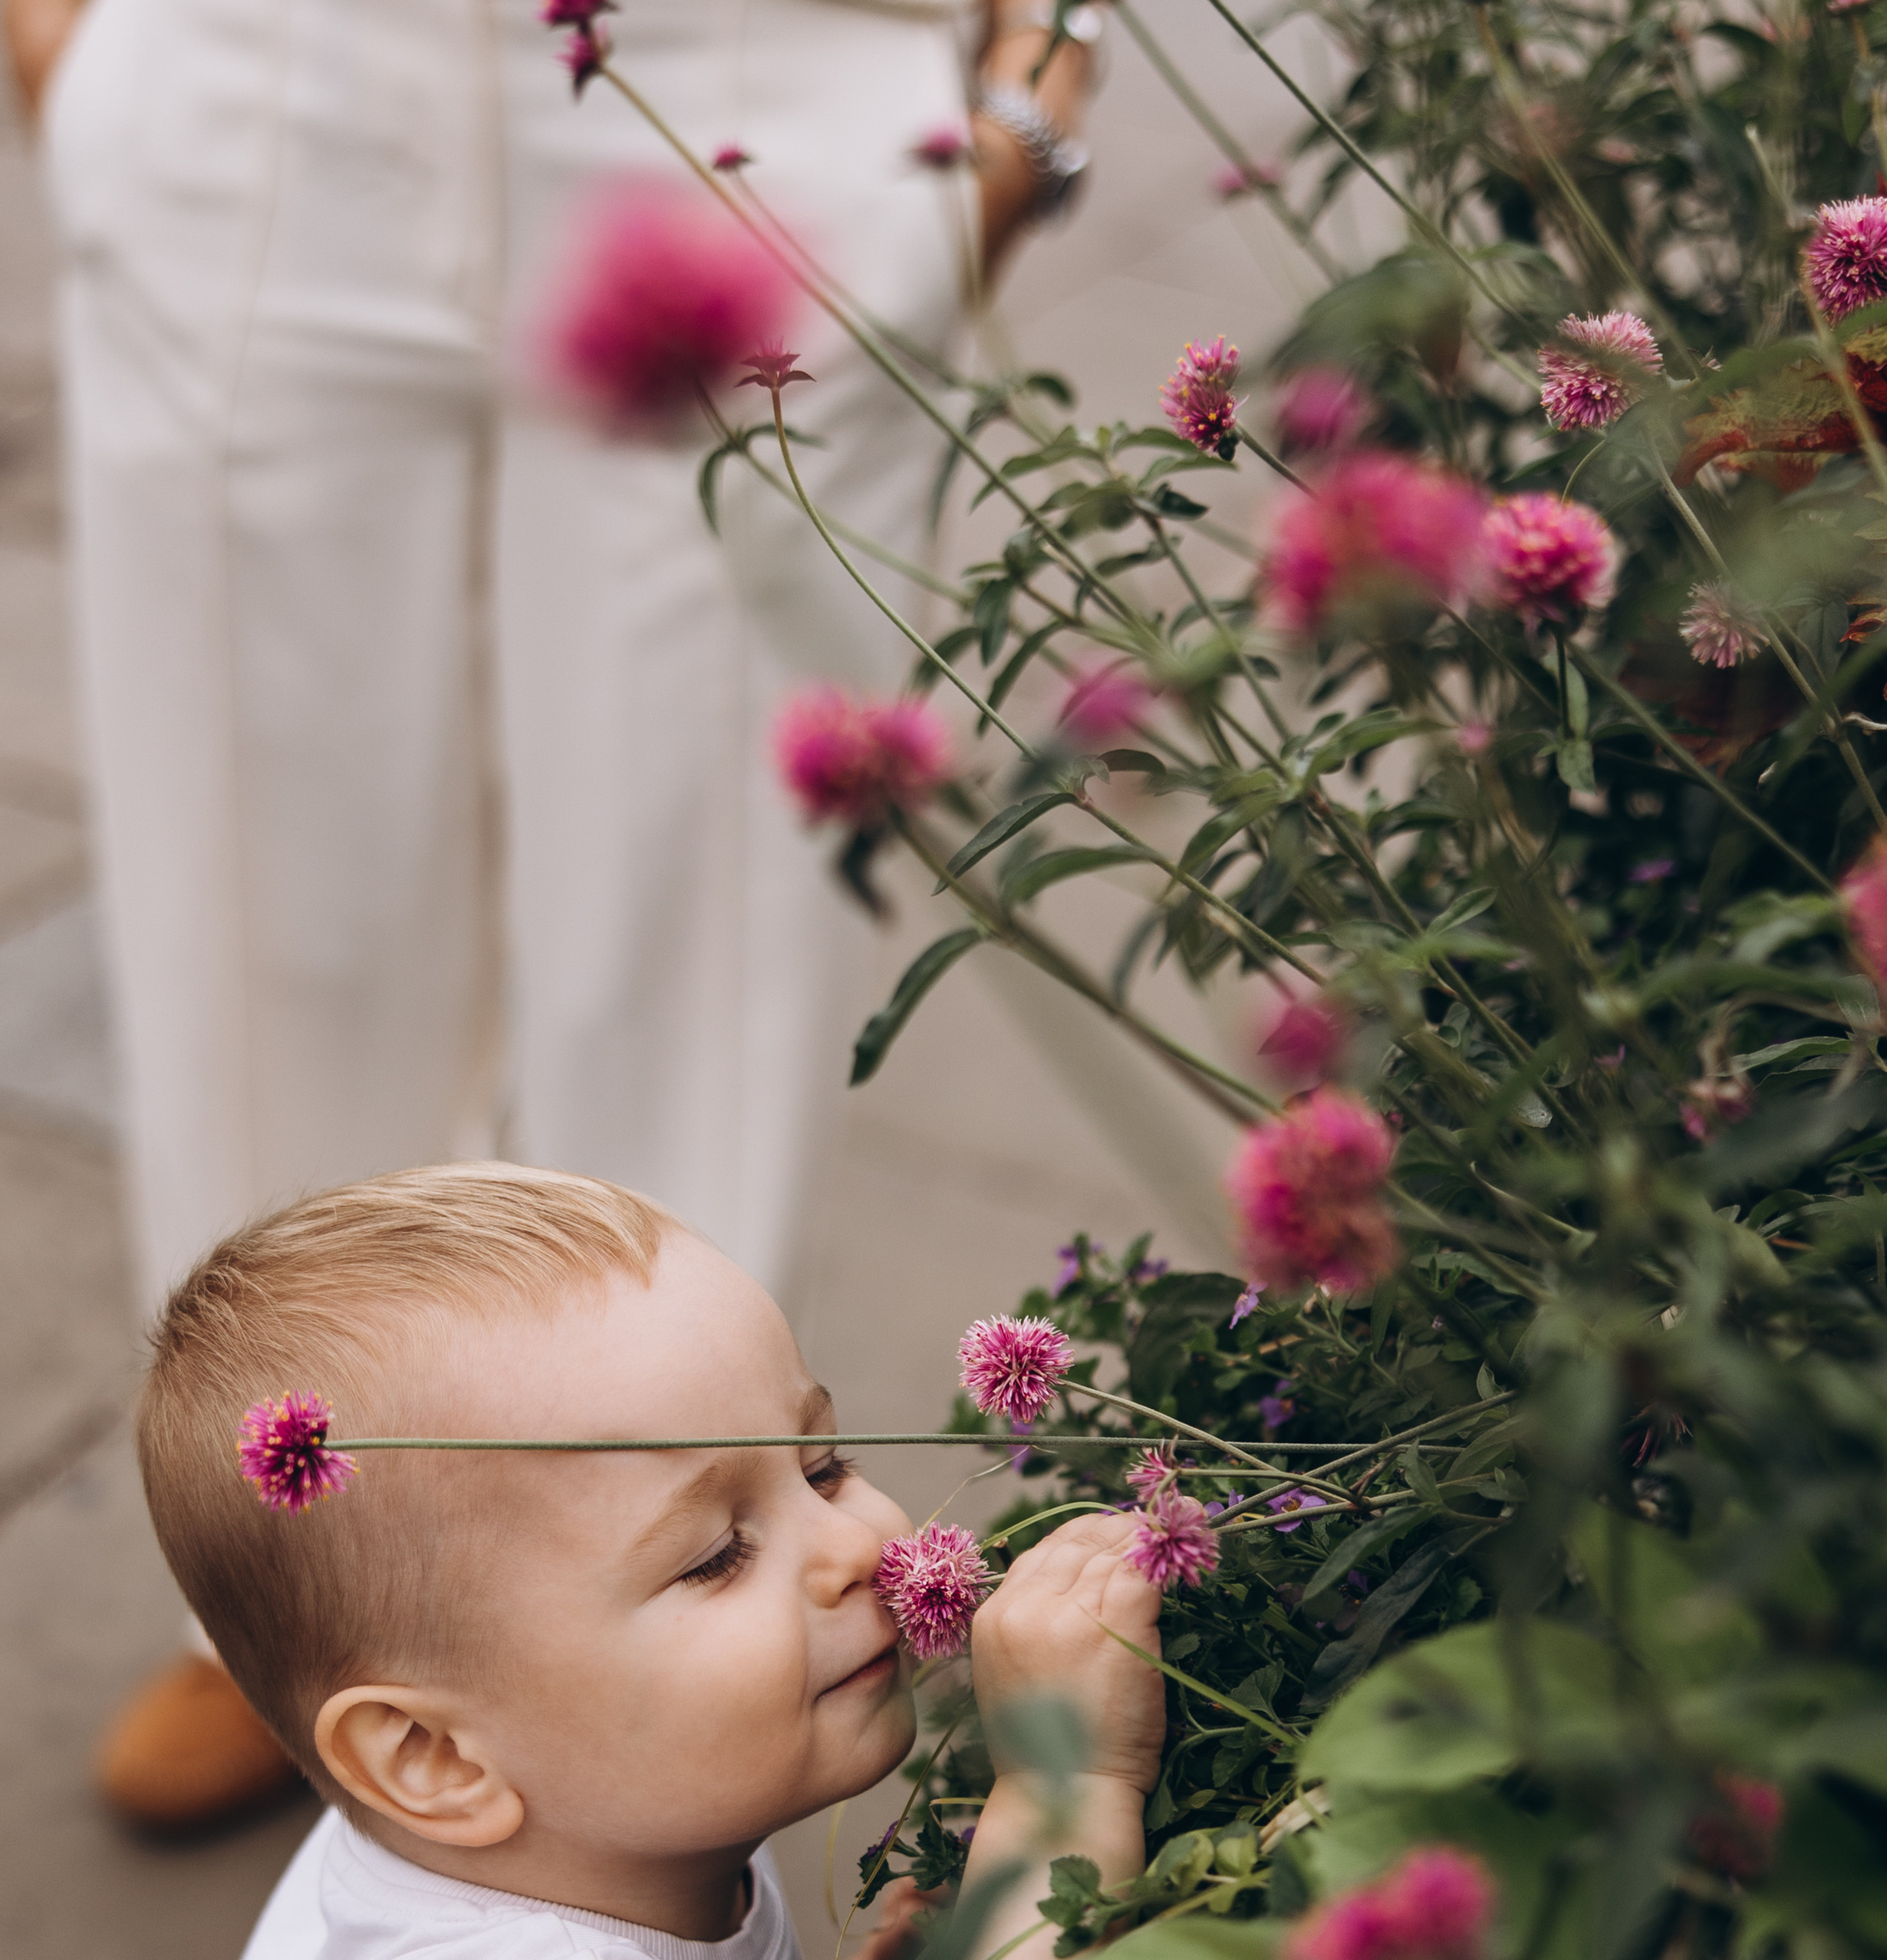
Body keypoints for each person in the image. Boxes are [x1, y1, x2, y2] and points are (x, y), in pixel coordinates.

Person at [2, 0, 1110, 1829]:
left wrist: (1025, 96)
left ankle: (673, 1664)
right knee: (266, 924)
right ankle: (291, 1599)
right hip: (262, 74)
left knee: (698, 952)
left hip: (748, 72)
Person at [99, 1159, 1164, 1960]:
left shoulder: (560, 1830)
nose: (850, 1544)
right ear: (432, 1755)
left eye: (819, 1465)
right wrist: (1066, 1801)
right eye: (716, 1554)